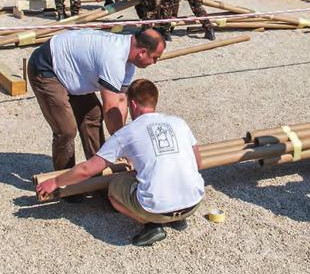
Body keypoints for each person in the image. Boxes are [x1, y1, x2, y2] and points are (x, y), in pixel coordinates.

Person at [36, 78, 204, 246]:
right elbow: (198, 163)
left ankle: (152, 224)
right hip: (193, 203)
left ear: (133, 104)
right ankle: (178, 218)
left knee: (114, 188)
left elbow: (88, 169)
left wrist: (56, 181)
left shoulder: (128, 133)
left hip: (156, 209)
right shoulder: (179, 123)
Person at [27, 28, 166, 171]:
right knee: (66, 130)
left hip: (72, 70)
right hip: (46, 67)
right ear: (142, 52)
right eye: (155, 57)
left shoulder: (128, 62)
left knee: (93, 116)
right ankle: (65, 184)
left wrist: (123, 140)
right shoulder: (114, 58)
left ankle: (96, 171)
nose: (155, 62)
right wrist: (125, 146)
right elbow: (110, 109)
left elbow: (120, 101)